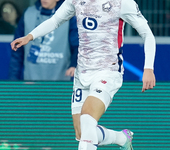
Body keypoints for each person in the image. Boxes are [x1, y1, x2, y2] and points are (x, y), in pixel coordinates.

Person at [11, 0, 156, 149]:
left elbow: (147, 34)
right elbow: (55, 20)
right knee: (82, 133)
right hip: (82, 74)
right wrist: (30, 36)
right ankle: (121, 138)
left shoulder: (122, 3)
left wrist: (148, 68)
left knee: (87, 119)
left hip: (108, 71)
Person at [9, 0, 79, 81]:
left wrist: (74, 65)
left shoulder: (69, 15)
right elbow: (17, 52)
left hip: (60, 81)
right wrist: (13, 79)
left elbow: (77, 45)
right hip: (31, 81)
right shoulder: (28, 14)